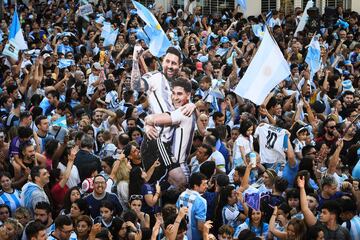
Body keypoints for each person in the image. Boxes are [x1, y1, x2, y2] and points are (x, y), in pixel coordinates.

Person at [176, 172, 207, 240]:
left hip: (181, 236)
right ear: (195, 186)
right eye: (204, 184)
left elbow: (176, 214)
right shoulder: (201, 201)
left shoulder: (182, 195)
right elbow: (200, 227)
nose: (206, 186)